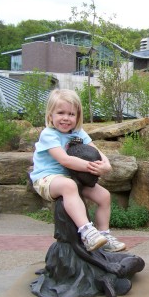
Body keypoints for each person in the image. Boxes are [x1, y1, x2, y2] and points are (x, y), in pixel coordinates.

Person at [30, 89, 126, 253]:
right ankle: (87, 232)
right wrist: (91, 167)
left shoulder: (78, 133)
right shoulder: (48, 134)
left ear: (78, 116)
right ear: (50, 115)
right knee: (69, 186)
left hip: (72, 178)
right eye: (61, 113)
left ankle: (104, 235)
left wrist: (106, 165)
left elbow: (97, 151)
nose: (66, 118)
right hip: (47, 179)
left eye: (71, 114)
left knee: (104, 196)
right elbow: (64, 160)